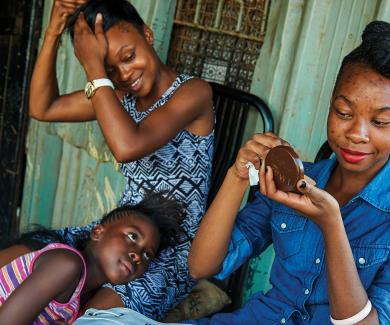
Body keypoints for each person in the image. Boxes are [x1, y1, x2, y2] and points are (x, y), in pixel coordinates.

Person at [187, 21, 390, 324]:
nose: (357, 134)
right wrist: (237, 178)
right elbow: (202, 266)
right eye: (344, 113)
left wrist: (331, 223)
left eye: (382, 122)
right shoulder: (291, 182)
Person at [27, 0, 214, 319]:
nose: (124, 74)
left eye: (128, 57)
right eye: (110, 68)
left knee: (96, 318)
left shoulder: (194, 92)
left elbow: (128, 146)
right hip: (121, 232)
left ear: (148, 34)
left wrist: (95, 69)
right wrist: (52, 32)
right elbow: (43, 107)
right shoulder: (116, 96)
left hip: (169, 251)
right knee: (32, 253)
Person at [0, 191, 184, 325]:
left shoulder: (81, 302)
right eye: (132, 236)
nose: (137, 256)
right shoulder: (66, 263)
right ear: (97, 232)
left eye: (147, 255)